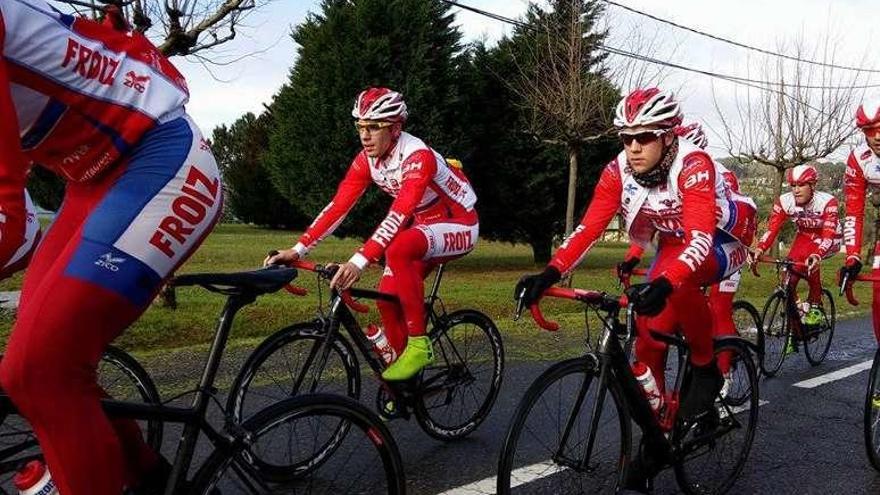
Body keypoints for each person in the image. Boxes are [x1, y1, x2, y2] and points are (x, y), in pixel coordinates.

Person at [0, 2, 222, 494]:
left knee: (38, 369)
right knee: (41, 364)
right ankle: (149, 478)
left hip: (160, 158)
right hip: (89, 181)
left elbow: (11, 229)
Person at [515, 87, 756, 492]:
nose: (633, 148)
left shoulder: (692, 164)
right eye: (626, 138)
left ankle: (704, 367)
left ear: (667, 135)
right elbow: (588, 228)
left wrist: (664, 281)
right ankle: (656, 433)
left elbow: (698, 241)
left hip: (720, 240)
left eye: (643, 137)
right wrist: (550, 273)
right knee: (647, 335)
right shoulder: (618, 170)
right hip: (674, 244)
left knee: (679, 285)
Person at [266, 87, 478, 381]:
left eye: (374, 127)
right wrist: (298, 249)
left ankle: (419, 344)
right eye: (361, 127)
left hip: (460, 223)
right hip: (423, 227)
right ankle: (405, 383)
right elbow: (338, 207)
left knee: (399, 249)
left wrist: (358, 262)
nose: (365, 135)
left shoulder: (417, 156)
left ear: (395, 128)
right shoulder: (367, 159)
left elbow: (399, 214)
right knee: (387, 300)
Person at [617, 120, 755, 392]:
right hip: (678, 247)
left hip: (721, 243)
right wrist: (634, 255)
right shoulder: (657, 173)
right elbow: (651, 221)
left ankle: (722, 375)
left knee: (718, 308)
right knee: (655, 323)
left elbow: (734, 221)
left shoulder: (717, 173)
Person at [752, 164, 839, 351]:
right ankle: (797, 324)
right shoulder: (784, 201)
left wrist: (818, 254)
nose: (796, 190)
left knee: (810, 261)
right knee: (787, 278)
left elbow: (829, 235)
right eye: (793, 185)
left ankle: (815, 305)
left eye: (802, 185)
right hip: (804, 235)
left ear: (813, 185)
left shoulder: (827, 202)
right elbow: (772, 229)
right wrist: (760, 248)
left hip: (828, 238)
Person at [842, 100, 880, 341]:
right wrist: (852, 255)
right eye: (869, 130)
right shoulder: (859, 159)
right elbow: (854, 212)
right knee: (878, 294)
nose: (877, 136)